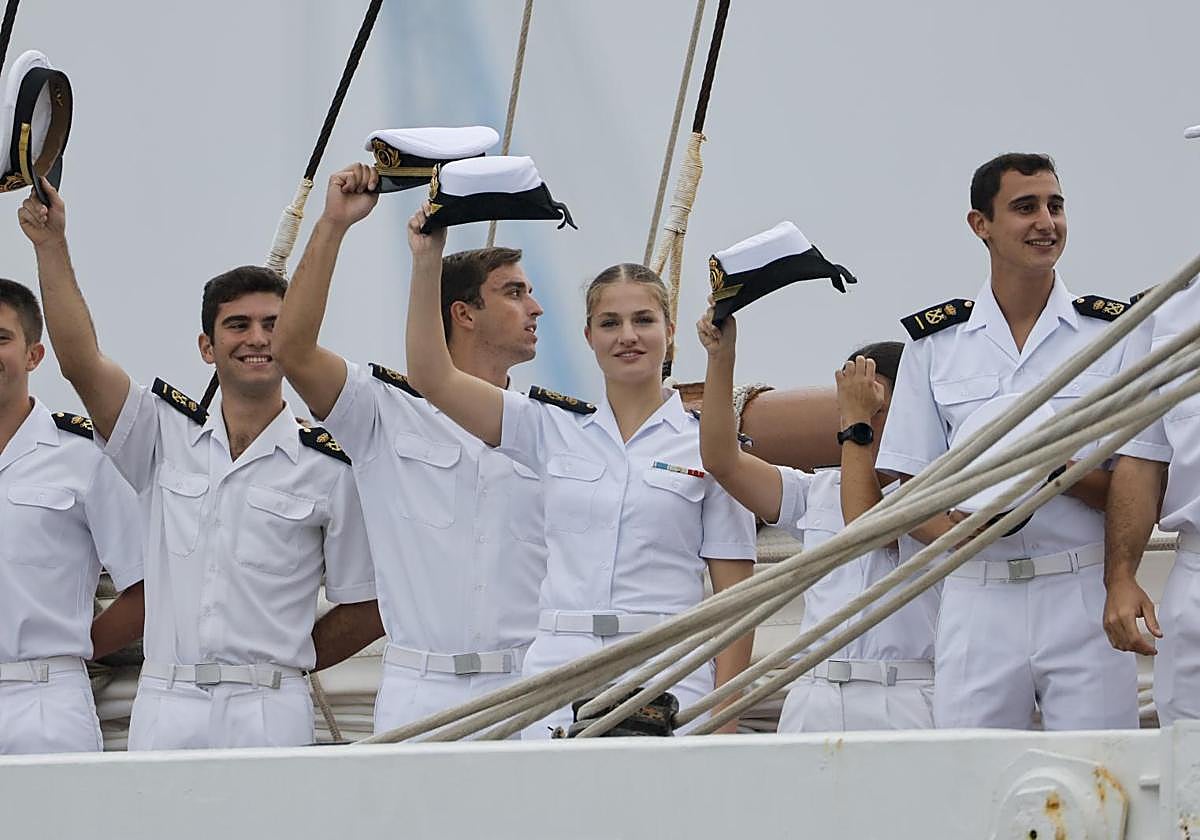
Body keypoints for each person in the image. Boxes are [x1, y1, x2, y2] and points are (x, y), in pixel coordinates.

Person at [19, 182, 380, 750]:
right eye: (238, 325)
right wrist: (50, 244)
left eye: (273, 325)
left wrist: (294, 658)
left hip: (270, 708)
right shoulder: (162, 438)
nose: (258, 339)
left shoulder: (331, 467)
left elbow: (368, 603)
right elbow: (81, 363)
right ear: (207, 347)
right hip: (168, 705)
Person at [402, 202, 757, 737]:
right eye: (609, 323)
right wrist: (427, 261)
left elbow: (735, 599)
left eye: (643, 320)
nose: (627, 336)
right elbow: (432, 375)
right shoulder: (548, 428)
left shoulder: (709, 447)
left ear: (669, 333)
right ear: (588, 336)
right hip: (558, 671)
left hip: (668, 667)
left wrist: (724, 721)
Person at [273, 163, 549, 734]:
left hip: (528, 687)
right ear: (464, 313)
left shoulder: (551, 429)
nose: (536, 308)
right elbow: (293, 350)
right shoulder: (381, 411)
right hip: (421, 690)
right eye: (515, 293)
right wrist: (334, 223)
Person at [875, 152, 1147, 730]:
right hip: (978, 595)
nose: (1046, 222)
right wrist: (965, 532)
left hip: (1079, 587)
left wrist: (1055, 471)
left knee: (1100, 779)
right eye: (1025, 208)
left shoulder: (1113, 334)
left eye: (1055, 206)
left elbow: (1139, 478)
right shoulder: (937, 344)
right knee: (969, 781)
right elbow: (903, 485)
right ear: (981, 225)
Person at [697, 311, 938, 731]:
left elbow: (867, 528)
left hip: (903, 699)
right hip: (815, 695)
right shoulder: (818, 492)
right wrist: (722, 358)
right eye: (850, 406)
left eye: (875, 407)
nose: (857, 419)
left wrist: (858, 426)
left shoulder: (937, 493)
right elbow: (722, 460)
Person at [0, 277, 143, 754]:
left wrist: (73, 648)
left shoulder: (84, 455)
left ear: (34, 355)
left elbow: (147, 586)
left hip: (44, 699)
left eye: (1, 338)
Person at [1102, 278, 1200, 725]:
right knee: (1186, 757)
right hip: (1196, 571)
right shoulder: (1166, 315)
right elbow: (1140, 463)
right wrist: (1120, 578)